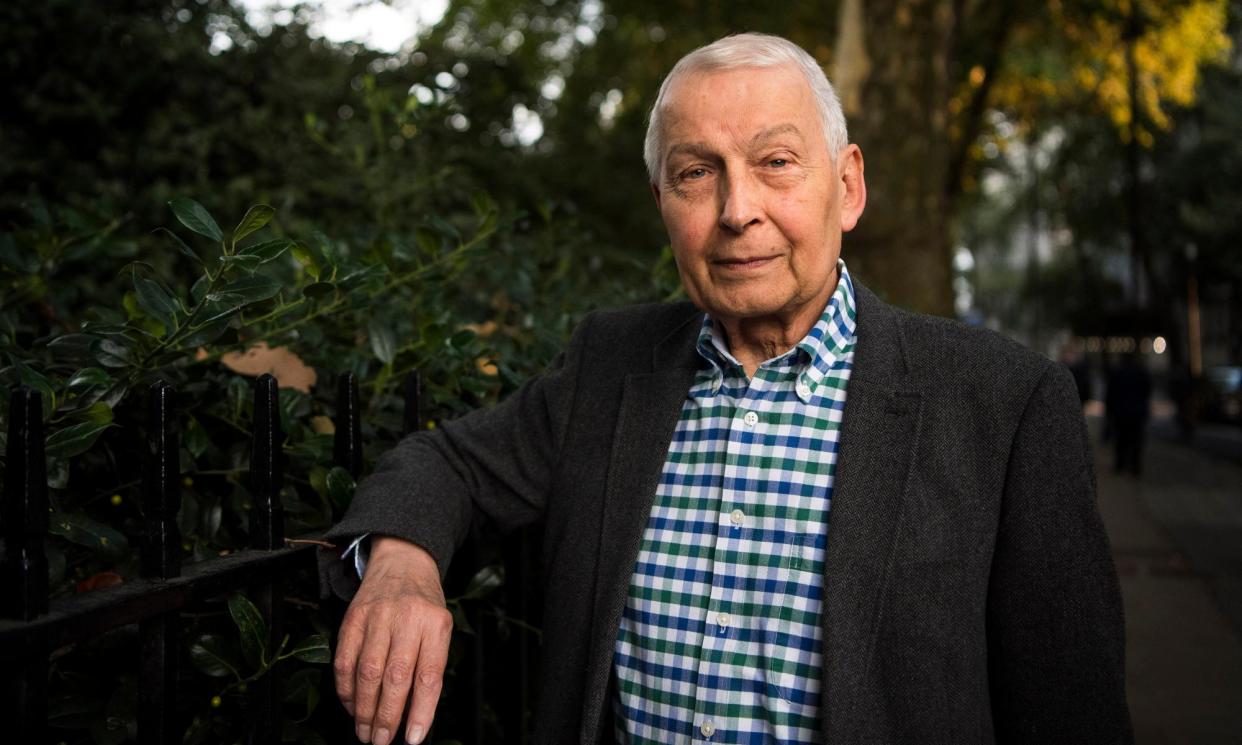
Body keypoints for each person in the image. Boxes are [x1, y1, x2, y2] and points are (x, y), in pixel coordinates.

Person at [322, 33, 1133, 745]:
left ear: (847, 186)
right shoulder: (608, 365)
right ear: (662, 204)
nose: (738, 210)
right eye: (695, 174)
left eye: (776, 163)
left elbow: (1072, 712)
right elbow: (449, 464)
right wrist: (402, 561)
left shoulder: (1004, 403)